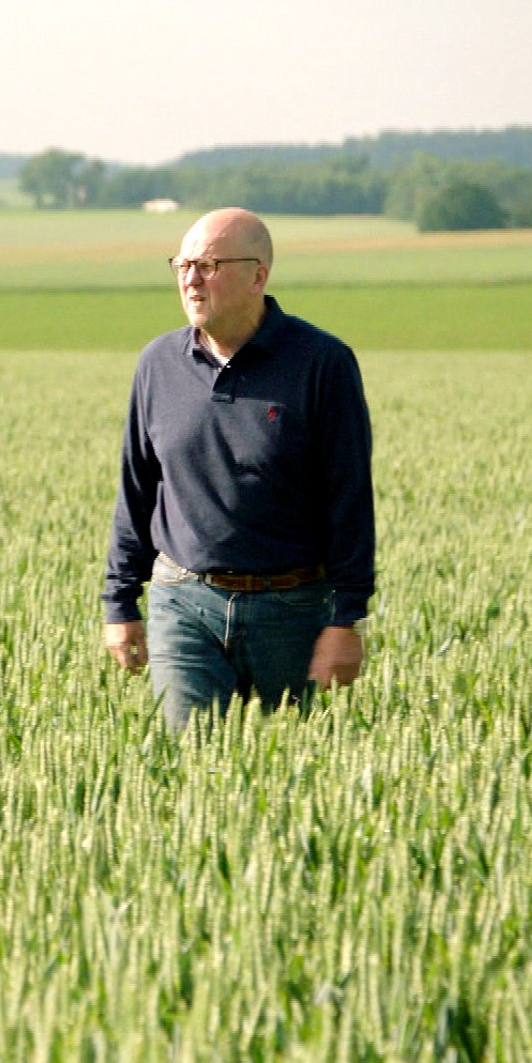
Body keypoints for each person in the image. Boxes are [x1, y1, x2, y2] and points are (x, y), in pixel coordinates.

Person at [103, 208, 374, 731]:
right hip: (182, 601)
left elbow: (349, 498)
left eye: (208, 264)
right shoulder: (158, 363)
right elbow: (137, 488)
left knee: (287, 772)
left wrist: (346, 618)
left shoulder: (322, 363)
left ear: (258, 275)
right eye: (182, 264)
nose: (190, 279)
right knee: (192, 763)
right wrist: (120, 603)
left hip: (291, 611)